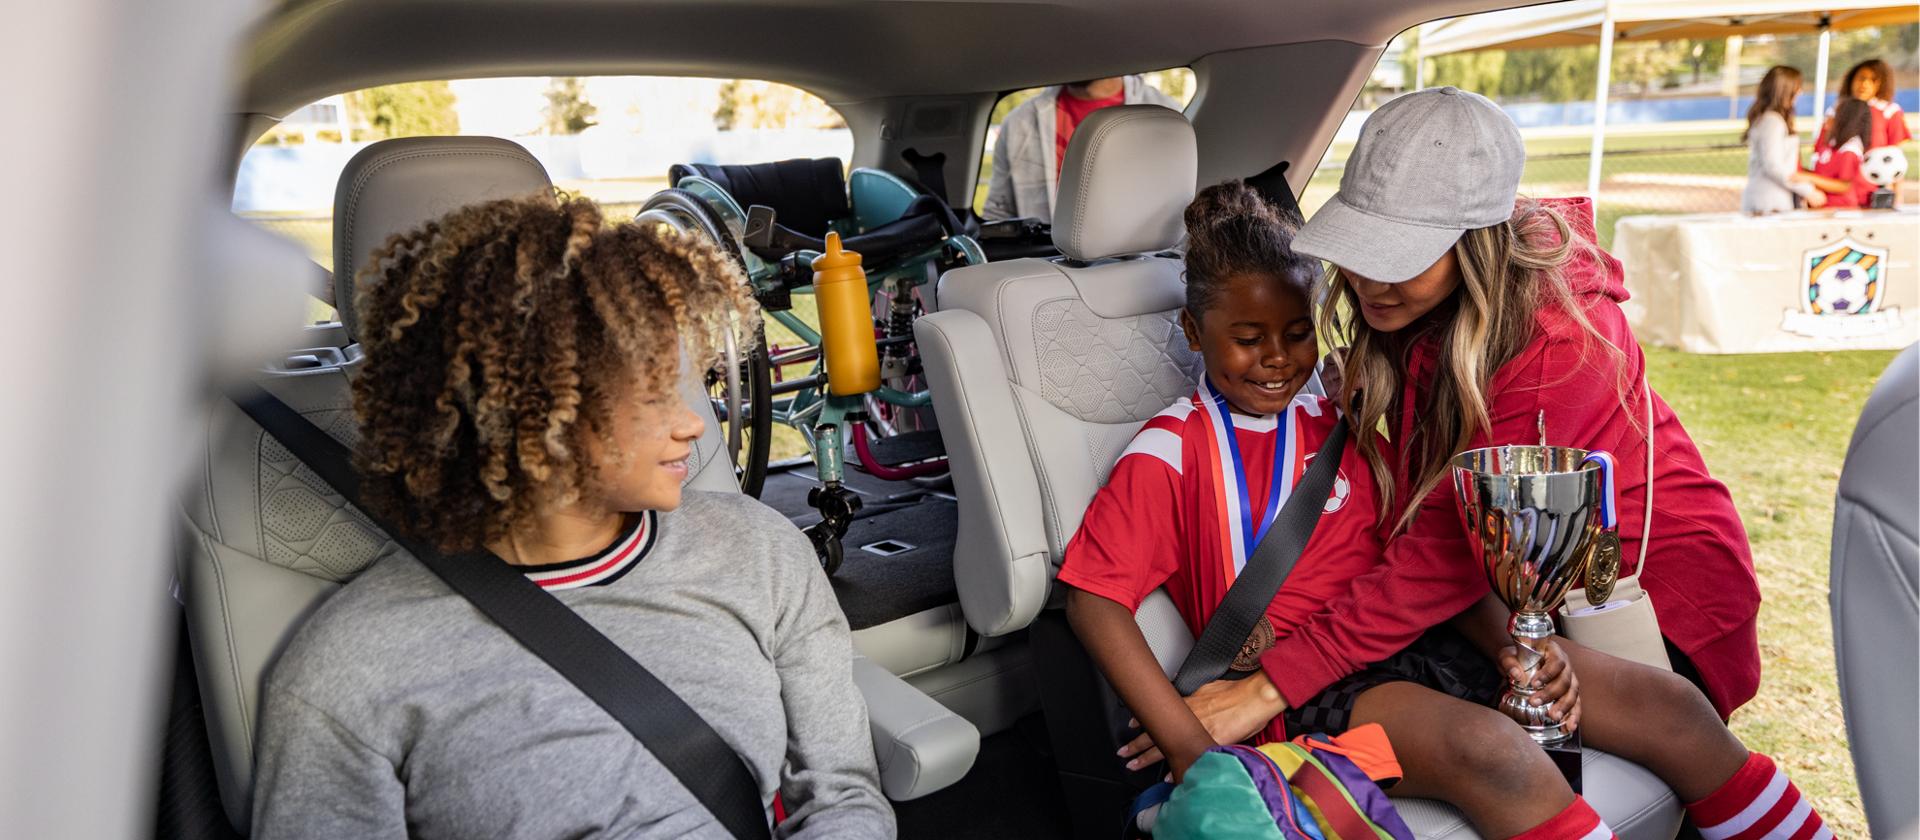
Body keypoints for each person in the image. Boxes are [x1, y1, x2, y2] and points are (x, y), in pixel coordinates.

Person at [1105, 88, 1830, 840]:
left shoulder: (1559, 339)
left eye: (1403, 260)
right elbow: (1421, 525)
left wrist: (1268, 688)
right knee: (1493, 746)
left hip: (1637, 596)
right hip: (1476, 602)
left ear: (1477, 244)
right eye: (1362, 252)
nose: (1371, 282)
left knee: (1671, 715)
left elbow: (1446, 549)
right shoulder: (1395, 329)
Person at [250, 192, 895, 839]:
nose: (694, 424)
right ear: (528, 412)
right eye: (652, 396)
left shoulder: (761, 552)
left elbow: (842, 796)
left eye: (693, 384)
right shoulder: (348, 665)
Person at [982, 75, 1180, 223]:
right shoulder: (1019, 123)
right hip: (1049, 269)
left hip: (1143, 266)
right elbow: (998, 214)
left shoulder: (1169, 115)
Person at [1744, 66, 1826, 212]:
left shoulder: (1770, 119)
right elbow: (1773, 165)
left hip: (1773, 198)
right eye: (1797, 87)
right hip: (1769, 201)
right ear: (1784, 90)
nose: (1800, 92)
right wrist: (1808, 190)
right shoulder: (1772, 121)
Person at [1800, 97, 1879, 209]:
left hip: (1841, 209)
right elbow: (1823, 175)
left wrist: (1807, 177)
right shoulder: (1832, 144)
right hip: (1824, 207)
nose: (1828, 116)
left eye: (1834, 113)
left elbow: (1844, 185)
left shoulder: (1850, 150)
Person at [1816, 58, 1911, 150]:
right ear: (1851, 80)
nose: (1865, 84)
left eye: (1873, 80)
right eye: (1861, 78)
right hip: (1844, 165)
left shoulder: (1890, 110)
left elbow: (1895, 148)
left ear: (1881, 84)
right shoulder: (1835, 110)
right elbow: (1822, 147)